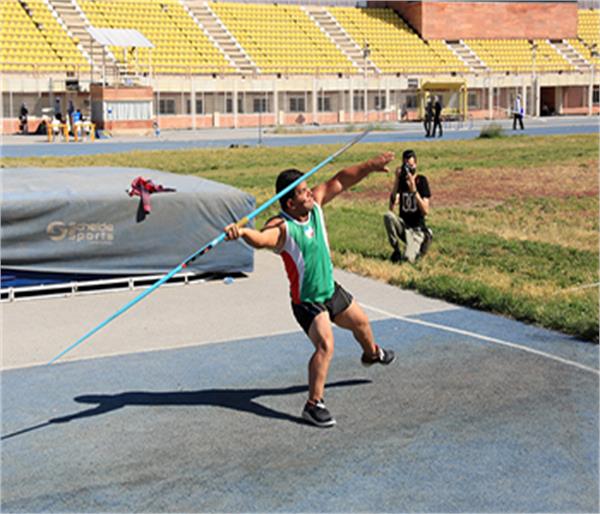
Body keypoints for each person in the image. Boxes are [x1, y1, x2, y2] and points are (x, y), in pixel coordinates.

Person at [224, 152, 397, 428]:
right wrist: (243, 233)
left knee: (362, 324)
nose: (309, 195)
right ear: (290, 203)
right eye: (303, 193)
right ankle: (313, 405)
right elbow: (262, 240)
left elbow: (340, 180)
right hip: (308, 302)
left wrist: (369, 166)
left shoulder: (314, 206)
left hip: (330, 290)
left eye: (308, 189)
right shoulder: (281, 227)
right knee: (326, 345)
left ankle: (372, 354)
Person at [383, 149, 432, 264]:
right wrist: (396, 180)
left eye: (411, 166)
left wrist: (414, 190)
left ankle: (425, 240)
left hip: (417, 230)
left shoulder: (421, 181)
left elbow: (425, 210)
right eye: (406, 166)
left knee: (408, 260)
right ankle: (396, 250)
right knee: (388, 216)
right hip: (405, 226)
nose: (409, 170)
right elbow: (391, 206)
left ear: (416, 164)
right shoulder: (402, 182)